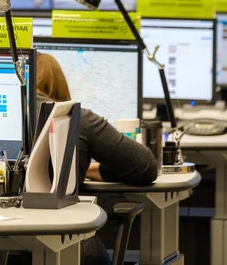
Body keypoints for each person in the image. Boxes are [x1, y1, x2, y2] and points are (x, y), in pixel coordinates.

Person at [36, 52, 157, 265]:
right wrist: (86, 168)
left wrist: (86, 168)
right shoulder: (75, 119)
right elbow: (145, 166)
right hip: (68, 244)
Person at [36, 52, 157, 185]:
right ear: (57, 83)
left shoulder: (11, 118)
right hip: (62, 206)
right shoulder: (76, 119)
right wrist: (80, 166)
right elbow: (145, 166)